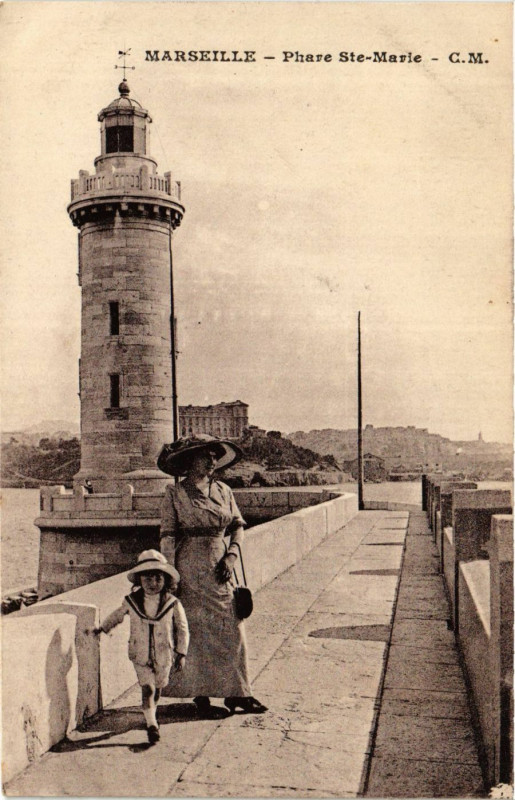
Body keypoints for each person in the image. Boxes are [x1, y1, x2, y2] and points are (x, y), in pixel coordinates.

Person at [158, 434, 267, 717]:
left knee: (232, 628)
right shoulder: (175, 494)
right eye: (205, 455)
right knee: (195, 631)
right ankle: (201, 696)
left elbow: (238, 527)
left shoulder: (224, 490)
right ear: (189, 460)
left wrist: (232, 554)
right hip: (189, 568)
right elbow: (168, 537)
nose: (212, 460)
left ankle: (239, 693)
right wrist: (171, 575)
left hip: (220, 566)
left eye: (215, 456)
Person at [93, 550, 189, 743]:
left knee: (159, 686)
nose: (153, 584)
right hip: (140, 653)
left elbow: (183, 628)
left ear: (165, 580)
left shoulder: (172, 603)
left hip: (164, 654)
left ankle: (150, 713)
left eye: (158, 579)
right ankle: (152, 724)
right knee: (148, 688)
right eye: (147, 579)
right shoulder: (132, 602)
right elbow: (118, 615)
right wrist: (102, 628)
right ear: (139, 580)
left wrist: (181, 652)